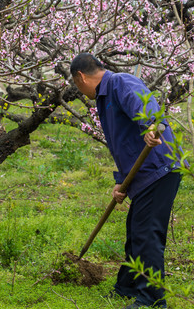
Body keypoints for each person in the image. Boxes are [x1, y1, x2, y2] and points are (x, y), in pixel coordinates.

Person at [70, 53, 182, 309]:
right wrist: (122, 181)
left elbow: (146, 106)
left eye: (77, 86)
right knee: (135, 233)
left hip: (159, 169)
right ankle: (128, 286)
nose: (79, 90)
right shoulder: (103, 97)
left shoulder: (119, 82)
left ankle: (152, 300)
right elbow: (123, 143)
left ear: (81, 77)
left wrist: (153, 126)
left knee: (147, 235)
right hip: (142, 175)